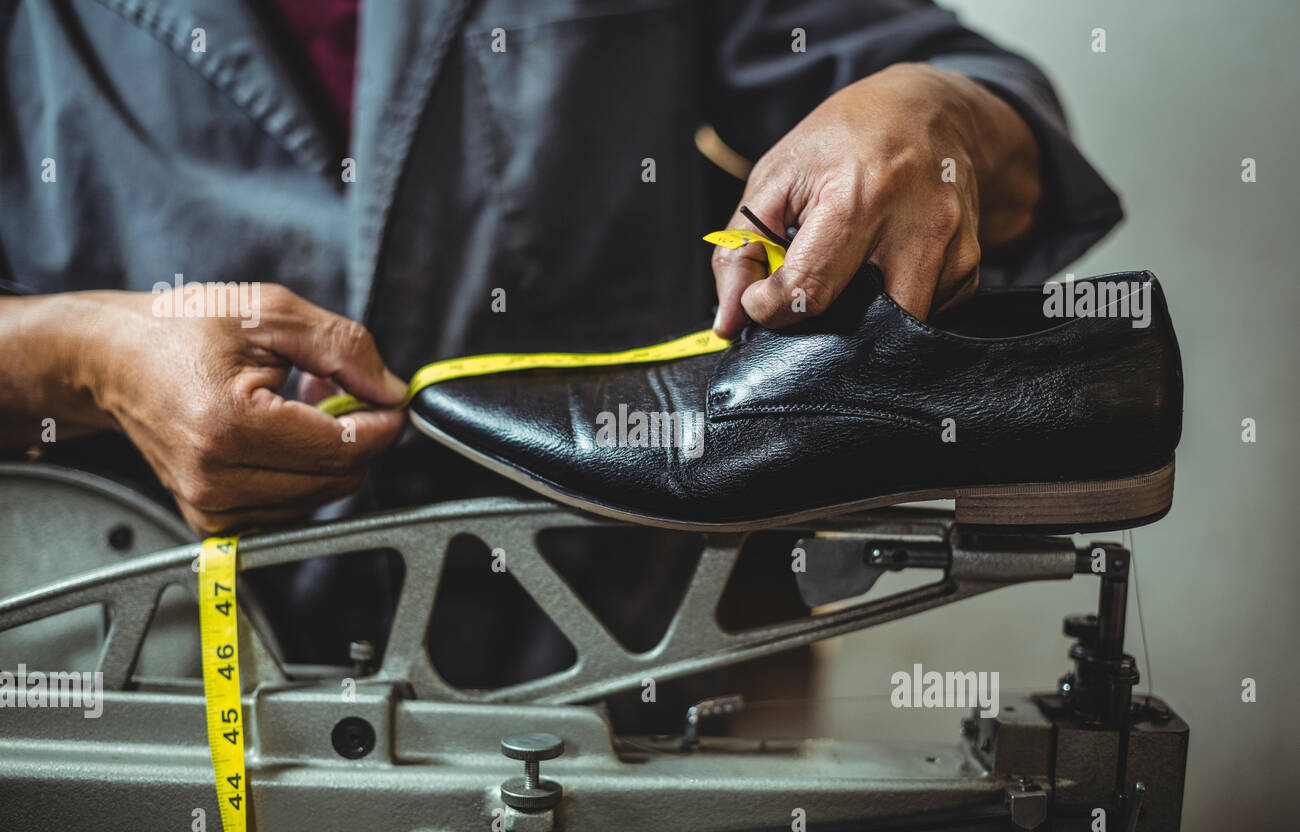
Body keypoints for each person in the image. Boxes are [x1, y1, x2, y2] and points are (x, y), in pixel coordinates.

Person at [0, 0, 1121, 673]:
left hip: (627, 665)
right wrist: (75, 357)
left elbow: (992, 113)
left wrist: (932, 122)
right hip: (140, 675)